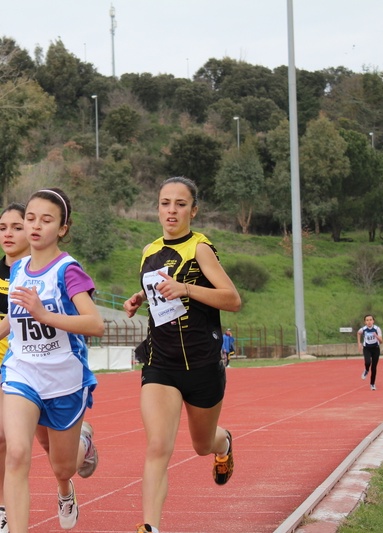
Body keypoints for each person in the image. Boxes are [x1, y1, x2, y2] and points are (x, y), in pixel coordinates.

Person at [0, 188, 104, 533]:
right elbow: (15, 315)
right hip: (22, 372)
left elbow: (95, 324)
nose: (35, 226)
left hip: (64, 378)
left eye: (46, 220)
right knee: (16, 453)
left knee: (61, 467)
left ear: (62, 228)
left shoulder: (69, 271)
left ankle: (81, 447)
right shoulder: (18, 268)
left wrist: (45, 314)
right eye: (30, 219)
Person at [123, 177, 241, 533]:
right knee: (158, 445)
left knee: (202, 444)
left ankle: (224, 443)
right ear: (157, 207)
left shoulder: (201, 249)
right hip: (161, 363)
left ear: (193, 210)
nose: (171, 210)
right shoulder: (149, 250)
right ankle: (150, 527)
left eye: (179, 203)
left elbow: (232, 300)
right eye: (164, 203)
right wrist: (139, 298)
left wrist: (186, 287)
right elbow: (157, 288)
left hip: (203, 363)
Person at [357, 315, 383, 391]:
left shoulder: (377, 329)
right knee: (368, 362)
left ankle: (372, 384)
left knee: (374, 367)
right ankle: (366, 370)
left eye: (370, 320)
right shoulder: (363, 329)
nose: (369, 322)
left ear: (373, 321)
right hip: (367, 348)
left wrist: (376, 336)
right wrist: (359, 343)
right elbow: (358, 333)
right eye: (367, 320)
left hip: (375, 349)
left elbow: (381, 341)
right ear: (365, 322)